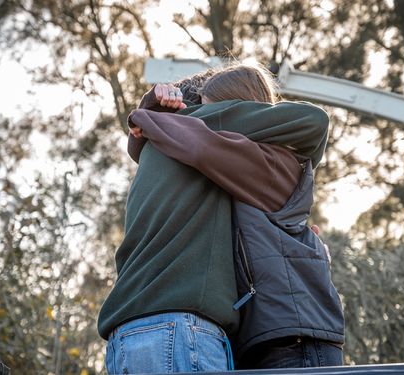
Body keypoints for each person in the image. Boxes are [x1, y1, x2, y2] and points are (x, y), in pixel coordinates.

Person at [98, 63, 333, 374]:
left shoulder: (258, 160)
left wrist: (155, 116)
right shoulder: (203, 154)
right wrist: (154, 115)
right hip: (189, 330)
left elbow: (315, 120)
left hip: (128, 334)